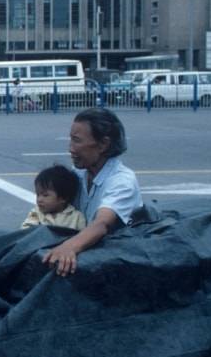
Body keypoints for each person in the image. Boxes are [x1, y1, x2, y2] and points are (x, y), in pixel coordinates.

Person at [42, 108, 142, 277]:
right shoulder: (78, 174)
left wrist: (69, 247)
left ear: (103, 144)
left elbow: (101, 223)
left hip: (115, 265)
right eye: (70, 140)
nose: (71, 149)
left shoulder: (122, 182)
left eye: (77, 141)